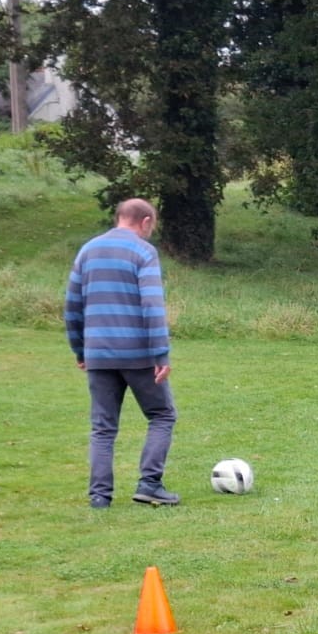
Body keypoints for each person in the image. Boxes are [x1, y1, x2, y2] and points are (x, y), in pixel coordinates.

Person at [64, 198, 179, 507]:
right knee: (162, 415)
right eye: (151, 227)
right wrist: (161, 354)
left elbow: (72, 307)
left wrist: (80, 349)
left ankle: (100, 497)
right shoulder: (143, 251)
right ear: (144, 222)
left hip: (98, 353)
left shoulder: (87, 250)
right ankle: (150, 484)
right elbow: (152, 305)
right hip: (138, 353)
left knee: (103, 427)